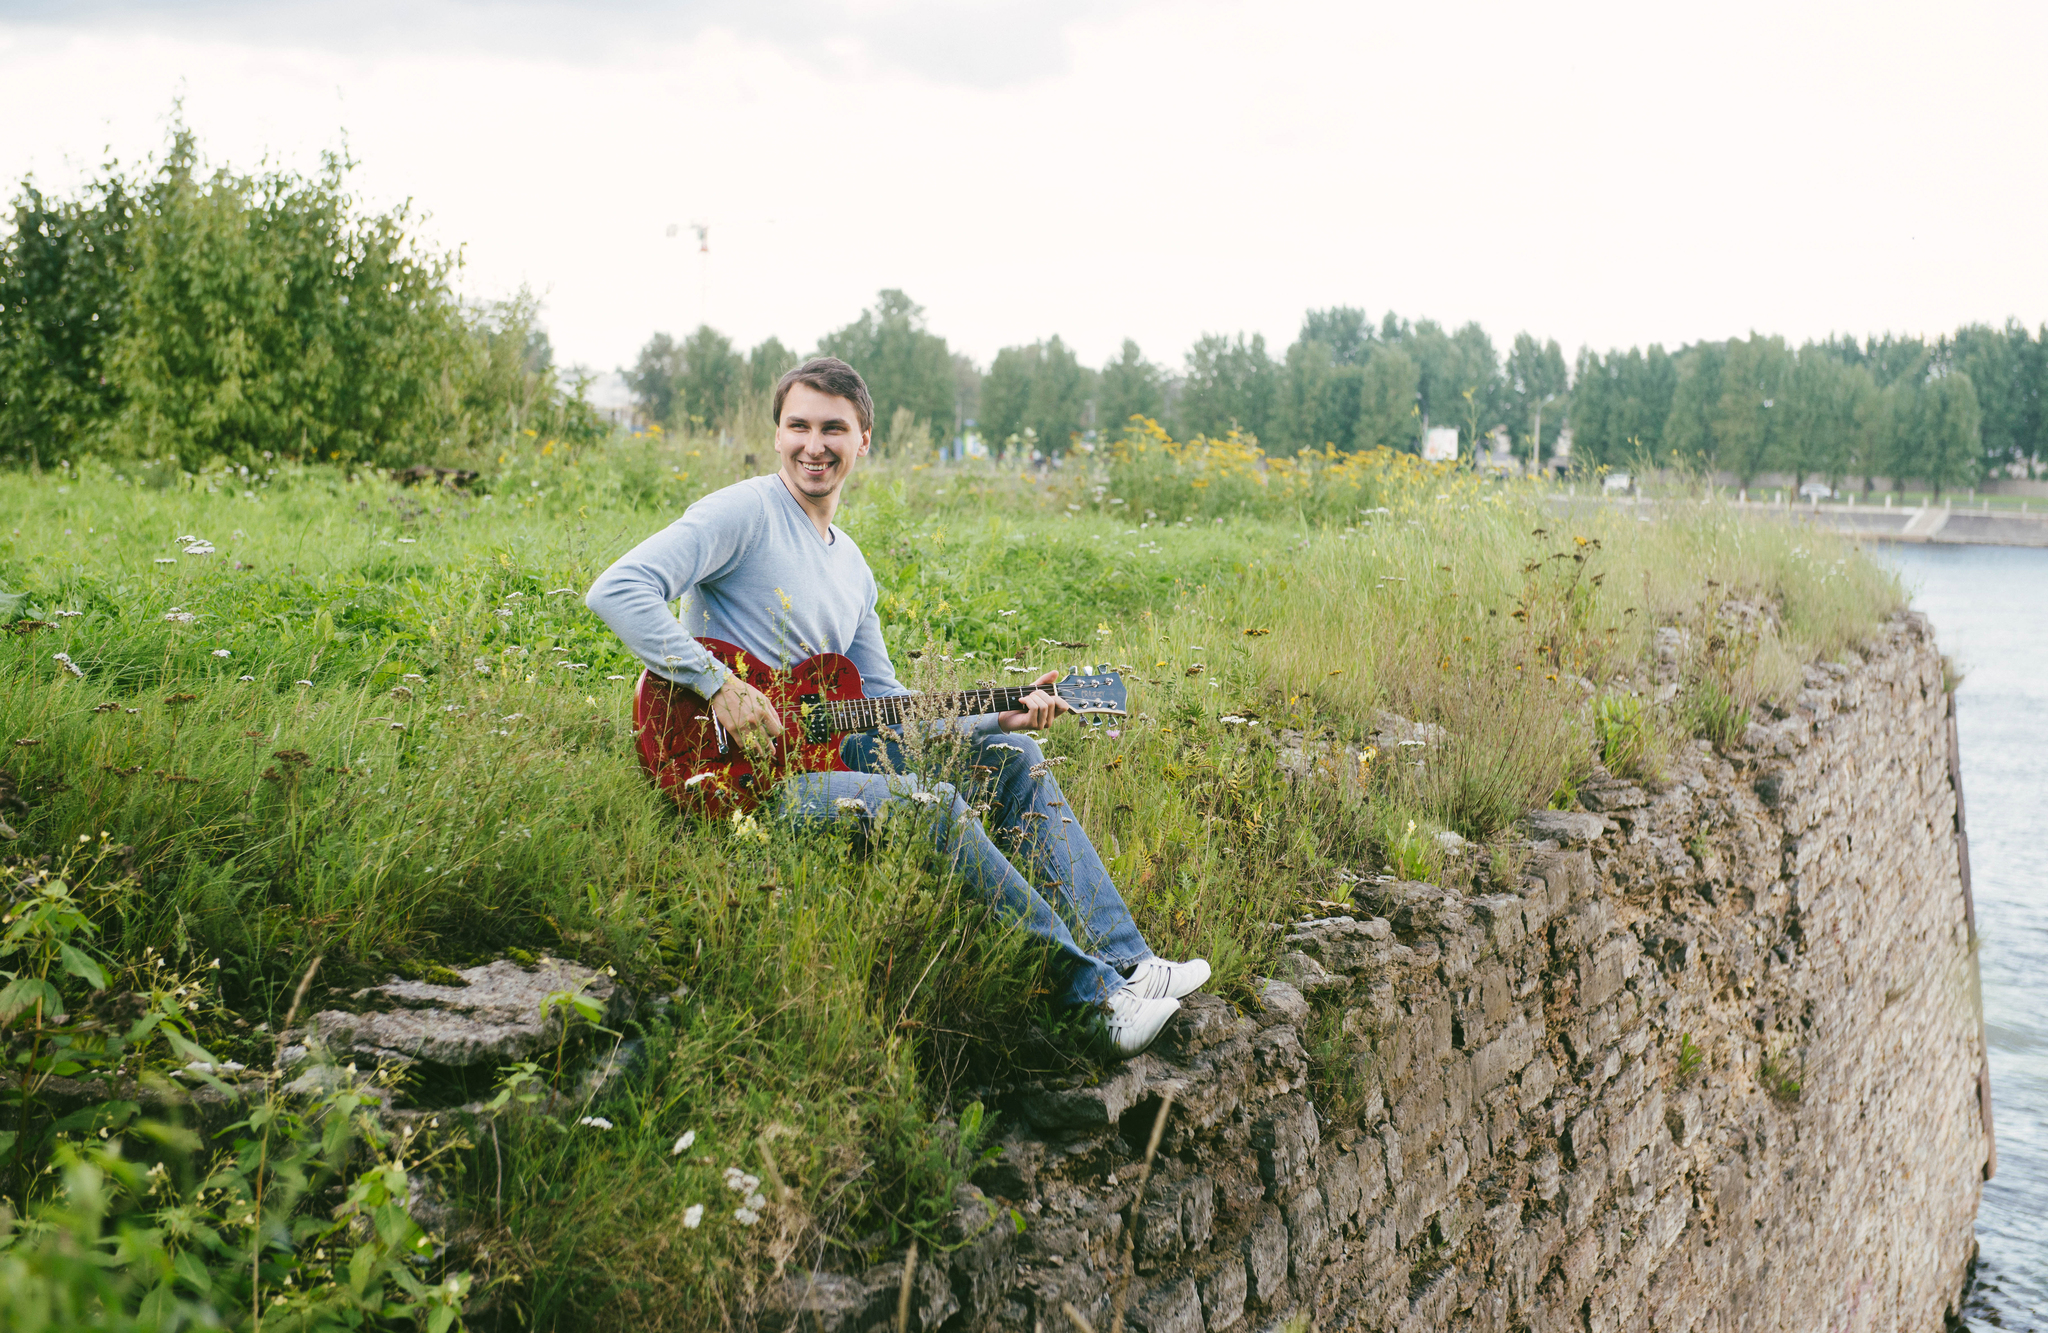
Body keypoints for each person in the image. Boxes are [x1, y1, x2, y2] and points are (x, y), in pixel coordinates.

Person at [584, 357, 1208, 1057]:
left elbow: (886, 707)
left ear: (864, 440)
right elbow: (617, 588)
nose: (813, 444)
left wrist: (997, 714)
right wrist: (716, 684)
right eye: (798, 426)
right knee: (930, 805)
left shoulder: (853, 566)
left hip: (822, 753)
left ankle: (1129, 964)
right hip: (742, 783)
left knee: (1013, 756)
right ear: (778, 432)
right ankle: (1093, 1004)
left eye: (833, 428)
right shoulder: (744, 512)